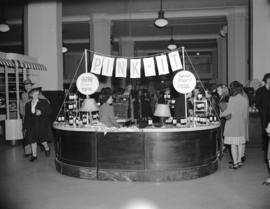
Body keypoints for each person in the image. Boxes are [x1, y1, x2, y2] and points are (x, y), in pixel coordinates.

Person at [220, 81, 249, 169]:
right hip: (241, 125)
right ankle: (239, 161)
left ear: (233, 89)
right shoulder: (245, 99)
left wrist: (221, 114)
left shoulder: (232, 99)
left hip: (232, 124)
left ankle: (235, 163)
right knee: (240, 144)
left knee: (233, 145)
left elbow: (229, 111)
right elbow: (245, 115)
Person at [20, 79, 48, 157]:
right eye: (25, 85)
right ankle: (28, 152)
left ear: (31, 85)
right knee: (26, 134)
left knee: (38, 135)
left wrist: (40, 109)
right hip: (26, 117)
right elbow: (22, 104)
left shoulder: (37, 93)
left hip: (36, 118)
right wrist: (22, 113)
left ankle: (44, 146)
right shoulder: (23, 94)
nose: (27, 86)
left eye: (28, 85)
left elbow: (46, 101)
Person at [23, 86, 52, 162]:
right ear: (31, 95)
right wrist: (25, 127)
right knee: (33, 140)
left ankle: (47, 148)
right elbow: (27, 116)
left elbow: (49, 111)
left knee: (42, 140)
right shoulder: (27, 105)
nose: (36, 95)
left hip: (41, 124)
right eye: (35, 94)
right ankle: (34, 155)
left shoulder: (43, 102)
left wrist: (41, 112)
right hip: (31, 125)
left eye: (38, 94)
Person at [255, 73, 270, 159]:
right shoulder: (260, 90)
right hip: (264, 115)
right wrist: (262, 110)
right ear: (265, 80)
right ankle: (266, 152)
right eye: (268, 79)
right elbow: (257, 103)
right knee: (265, 132)